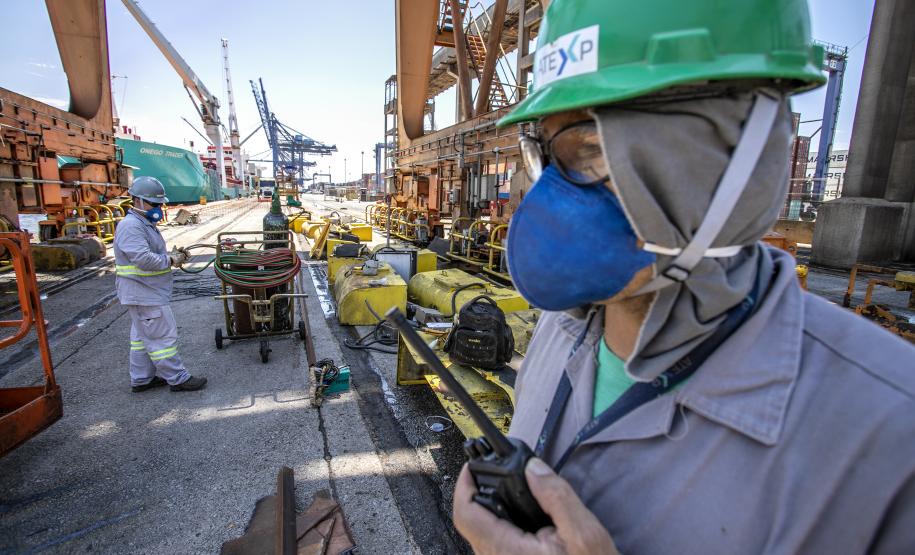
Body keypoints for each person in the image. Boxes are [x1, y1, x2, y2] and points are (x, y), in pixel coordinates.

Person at [453, 1, 915, 553]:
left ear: (741, 155)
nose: (550, 194)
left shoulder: (891, 448)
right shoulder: (559, 331)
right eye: (545, 153)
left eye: (594, 150)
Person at [114, 176, 207, 393]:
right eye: (153, 204)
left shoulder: (143, 224)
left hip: (142, 292)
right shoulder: (131, 226)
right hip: (144, 293)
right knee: (161, 337)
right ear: (137, 201)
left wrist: (169, 256)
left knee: (140, 339)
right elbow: (144, 259)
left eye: (159, 204)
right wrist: (171, 260)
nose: (158, 208)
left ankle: (141, 379)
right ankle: (178, 378)